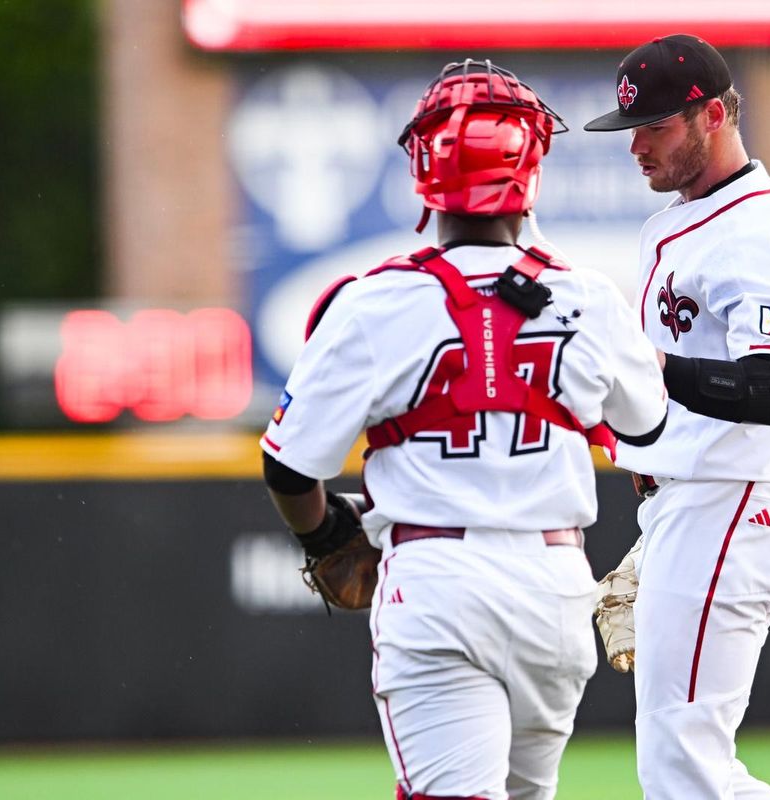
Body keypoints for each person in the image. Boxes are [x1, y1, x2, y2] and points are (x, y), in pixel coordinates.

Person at [260, 59, 668, 800]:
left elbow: (289, 468)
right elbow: (654, 431)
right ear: (530, 170)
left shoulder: (373, 302)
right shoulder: (588, 297)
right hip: (554, 587)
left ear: (424, 173)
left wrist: (324, 539)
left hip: (437, 580)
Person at [584, 34, 770, 799]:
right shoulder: (679, 222)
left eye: (657, 125)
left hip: (732, 501)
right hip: (691, 505)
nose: (638, 145)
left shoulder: (763, 231)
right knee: (680, 762)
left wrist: (653, 373)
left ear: (715, 114)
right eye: (633, 128)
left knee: (683, 765)